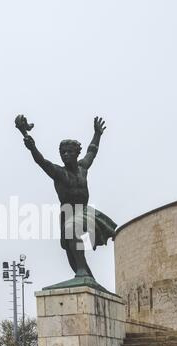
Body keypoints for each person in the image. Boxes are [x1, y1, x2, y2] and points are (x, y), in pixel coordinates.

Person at [22, 116, 117, 281]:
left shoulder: (83, 168)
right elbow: (42, 162)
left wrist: (97, 134)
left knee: (73, 230)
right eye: (63, 152)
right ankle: (85, 274)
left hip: (85, 212)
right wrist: (32, 148)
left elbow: (92, 152)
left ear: (76, 154)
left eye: (69, 152)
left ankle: (82, 270)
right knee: (71, 253)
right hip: (68, 213)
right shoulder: (59, 173)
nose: (65, 155)